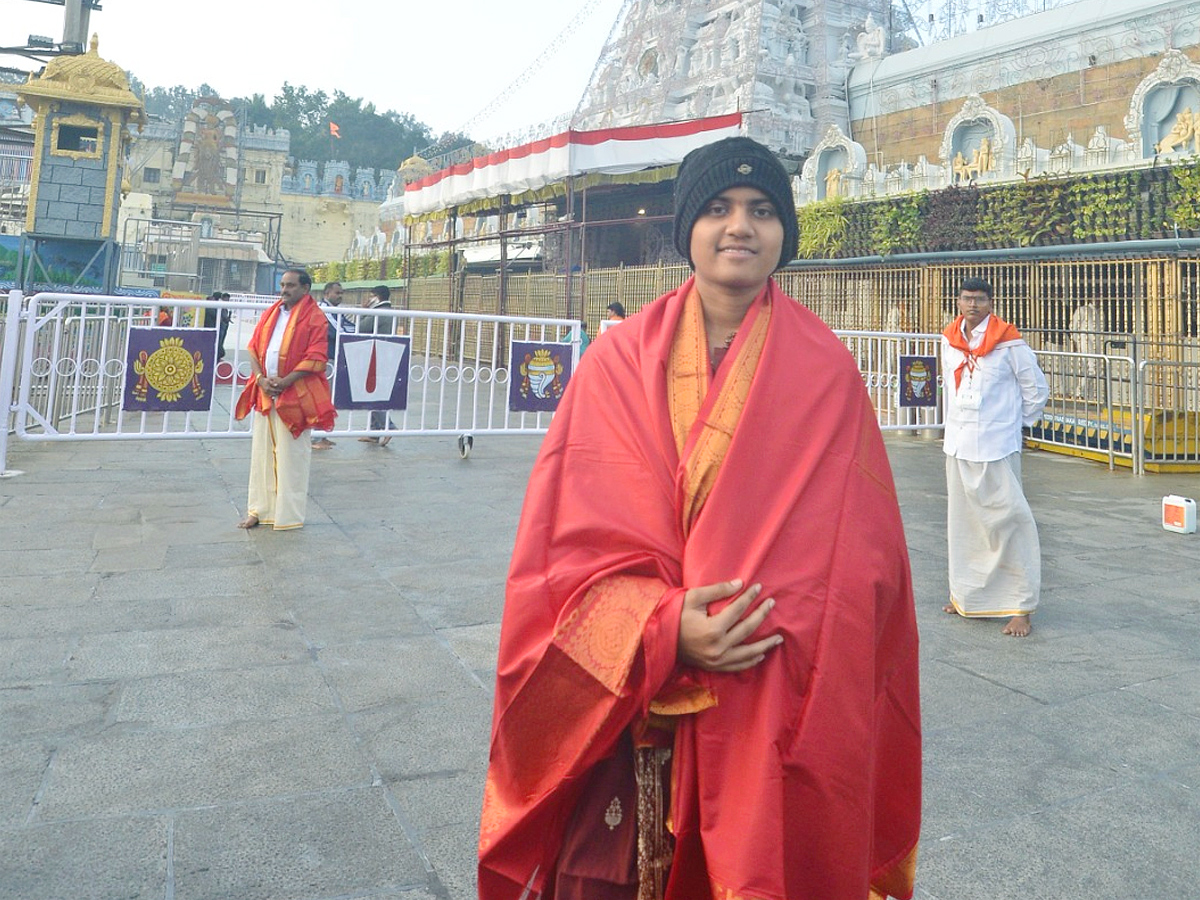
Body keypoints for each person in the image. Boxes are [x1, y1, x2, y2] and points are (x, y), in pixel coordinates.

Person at [479, 137, 921, 900]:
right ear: (688, 228)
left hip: (770, 700)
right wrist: (663, 628)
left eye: (760, 211)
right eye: (717, 209)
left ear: (784, 232)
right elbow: (562, 550)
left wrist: (768, 627)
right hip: (625, 724)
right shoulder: (615, 364)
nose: (739, 227)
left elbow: (860, 564)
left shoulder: (828, 373)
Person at [941, 277, 1050, 637]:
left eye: (980, 299)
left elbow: (1035, 389)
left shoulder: (1009, 342)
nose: (972, 305)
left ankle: (1021, 606)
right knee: (964, 525)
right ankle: (966, 596)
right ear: (958, 301)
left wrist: (1012, 425)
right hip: (958, 444)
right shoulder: (949, 339)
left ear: (991, 302)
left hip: (996, 445)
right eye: (966, 298)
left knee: (1010, 522)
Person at [234, 269, 335, 530]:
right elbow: (254, 349)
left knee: (292, 456)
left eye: (290, 285)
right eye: (282, 284)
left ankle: (287, 516)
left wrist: (286, 381)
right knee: (261, 455)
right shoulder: (271, 313)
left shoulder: (315, 318)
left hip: (296, 393)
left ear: (305, 289)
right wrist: (261, 380)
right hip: (266, 391)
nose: (284, 290)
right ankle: (258, 510)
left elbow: (317, 357)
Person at [314, 281, 351, 450]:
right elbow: (338, 331)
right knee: (321, 399)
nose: (340, 296)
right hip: (325, 359)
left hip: (333, 359)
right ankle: (317, 437)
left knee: (328, 400)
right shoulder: (324, 310)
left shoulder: (337, 312)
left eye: (342, 293)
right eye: (337, 293)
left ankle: (323, 434)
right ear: (327, 293)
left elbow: (349, 328)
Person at [358, 285, 396, 447]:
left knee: (370, 394)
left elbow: (360, 328)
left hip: (375, 355)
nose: (368, 299)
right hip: (384, 354)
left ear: (376, 296)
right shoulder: (390, 310)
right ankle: (374, 433)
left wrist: (363, 311)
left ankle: (388, 426)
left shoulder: (378, 312)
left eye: (371, 295)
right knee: (374, 392)